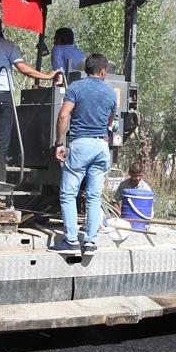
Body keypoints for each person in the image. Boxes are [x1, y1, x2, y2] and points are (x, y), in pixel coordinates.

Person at [51, 54, 118, 255]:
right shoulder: (110, 93)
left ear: (85, 69)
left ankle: (71, 241)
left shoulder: (76, 88)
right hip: (101, 147)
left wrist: (59, 143)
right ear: (103, 71)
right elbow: (110, 123)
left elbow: (63, 116)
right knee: (94, 196)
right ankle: (90, 242)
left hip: (80, 145)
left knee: (68, 193)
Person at [0, 16, 58, 186]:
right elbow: (23, 68)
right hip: (2, 92)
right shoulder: (6, 45)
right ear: (0, 28)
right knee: (2, 139)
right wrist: (47, 76)